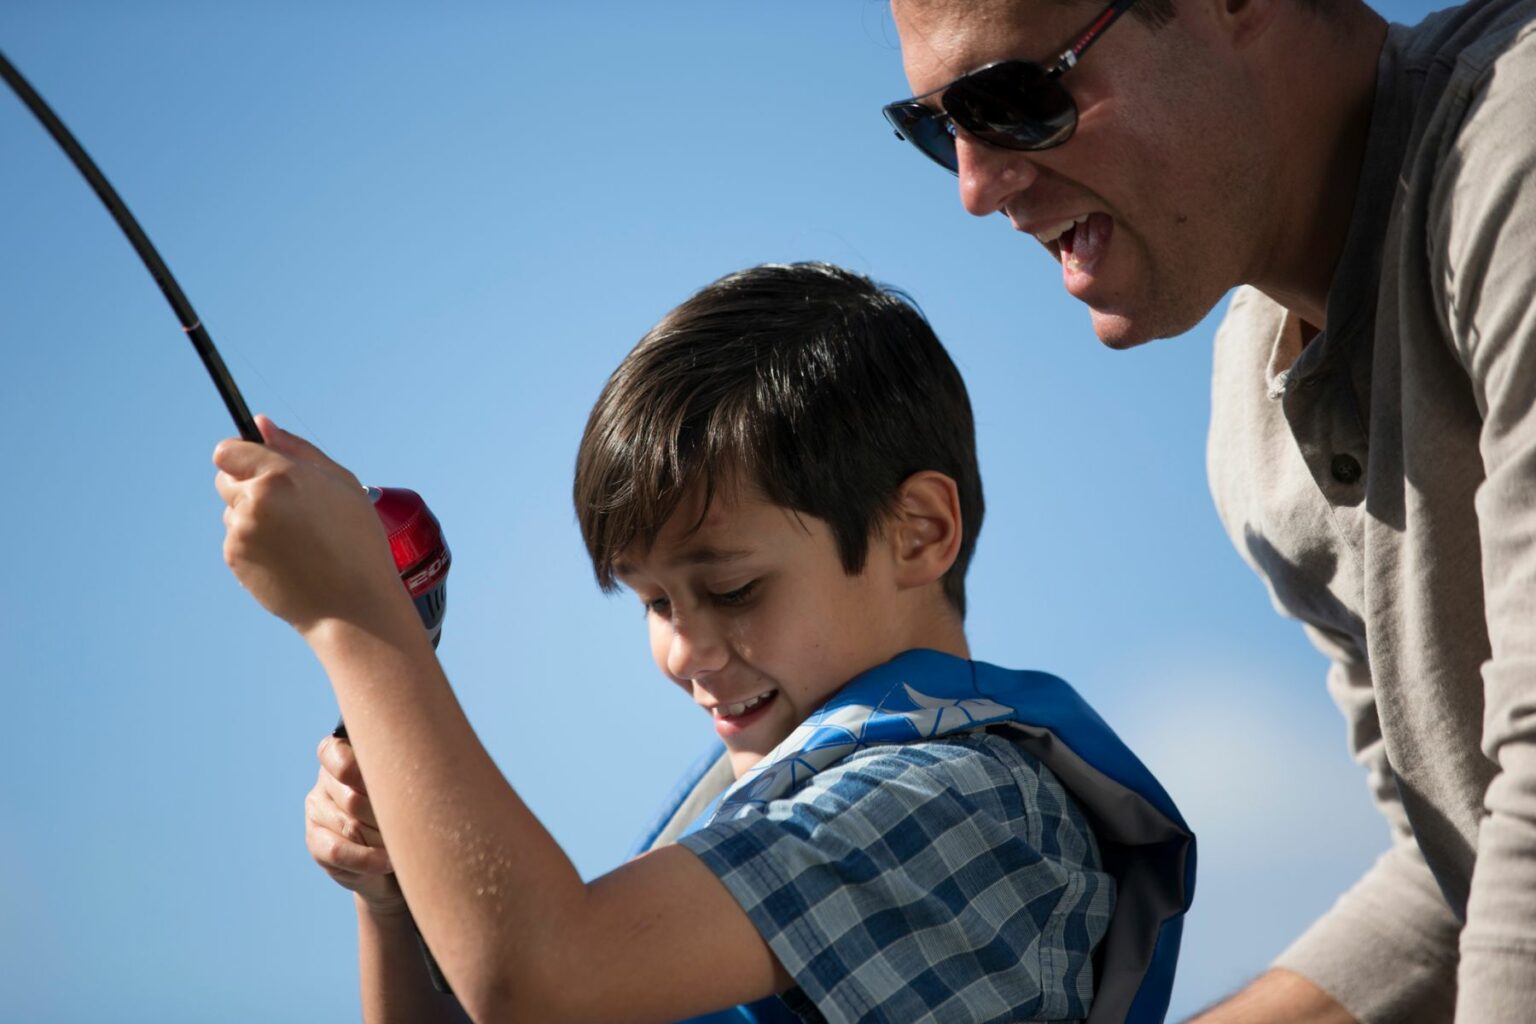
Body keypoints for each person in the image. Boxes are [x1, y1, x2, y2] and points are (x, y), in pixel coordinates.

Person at [214, 262, 1193, 1023]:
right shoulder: (743, 826)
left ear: (919, 532)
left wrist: (360, 624)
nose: (686, 650)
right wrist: (391, 898)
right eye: (654, 603)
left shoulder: (963, 805)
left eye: (730, 588)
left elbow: (535, 978)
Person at [879, 0, 1536, 1019]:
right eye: (934, 129)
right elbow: (1461, 865)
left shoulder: (1517, 147)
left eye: (1014, 98)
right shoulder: (1251, 416)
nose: (974, 186)